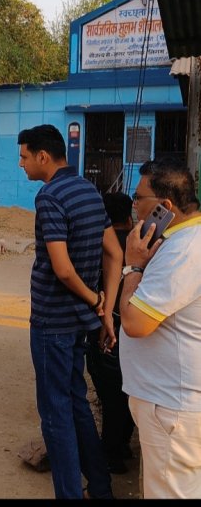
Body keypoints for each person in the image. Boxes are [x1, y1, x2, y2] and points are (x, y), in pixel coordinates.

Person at [17, 124, 122, 500]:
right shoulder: (90, 191)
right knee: (76, 401)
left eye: (24, 156)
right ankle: (101, 485)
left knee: (55, 414)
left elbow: (62, 269)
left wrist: (97, 302)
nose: (21, 164)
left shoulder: (49, 196)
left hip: (52, 323)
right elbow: (115, 253)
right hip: (79, 324)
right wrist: (105, 310)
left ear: (43, 156)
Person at [119, 158, 201, 499]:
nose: (134, 205)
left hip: (171, 408)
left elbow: (135, 323)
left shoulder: (183, 251)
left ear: (165, 207)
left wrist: (132, 266)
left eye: (139, 198)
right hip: (172, 401)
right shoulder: (181, 242)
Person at [85, 192, 135, 474]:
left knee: (111, 396)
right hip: (135, 327)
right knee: (128, 392)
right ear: (129, 216)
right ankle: (122, 445)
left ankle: (111, 453)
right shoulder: (146, 243)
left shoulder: (98, 244)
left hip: (105, 325)